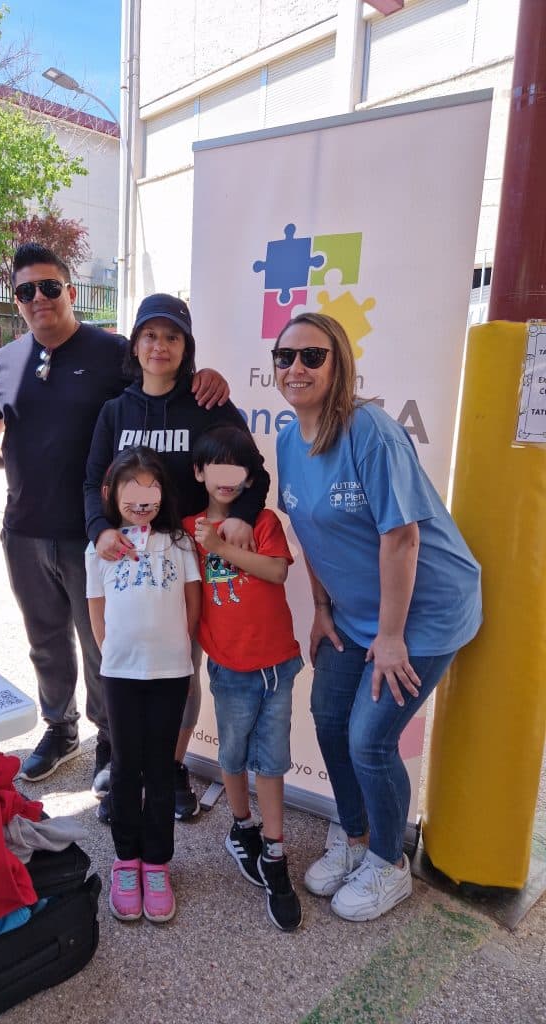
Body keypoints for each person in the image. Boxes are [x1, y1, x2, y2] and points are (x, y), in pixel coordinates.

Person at [0, 245, 227, 791]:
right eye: (25, 291)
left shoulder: (113, 350)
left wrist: (206, 376)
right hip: (22, 530)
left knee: (101, 644)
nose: (38, 298)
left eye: (49, 287)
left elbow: (159, 379)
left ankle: (109, 740)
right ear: (16, 301)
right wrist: (13, 467)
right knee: (44, 640)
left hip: (95, 535)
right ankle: (59, 728)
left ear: (71, 292)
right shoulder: (3, 362)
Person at [273, 312, 482, 922]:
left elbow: (402, 540)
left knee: (369, 738)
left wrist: (391, 637)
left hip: (424, 610)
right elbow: (307, 529)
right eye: (285, 357)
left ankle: (390, 864)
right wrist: (320, 606)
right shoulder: (289, 438)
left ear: (338, 364)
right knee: (328, 716)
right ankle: (355, 835)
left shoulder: (371, 432)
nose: (296, 368)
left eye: (313, 356)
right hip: (353, 612)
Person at [84, 293, 270, 821]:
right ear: (135, 345)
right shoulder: (116, 410)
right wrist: (99, 529)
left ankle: (169, 768)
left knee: (182, 672)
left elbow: (253, 471)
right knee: (121, 666)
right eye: (149, 335)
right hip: (124, 566)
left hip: (188, 564)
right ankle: (128, 773)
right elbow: (89, 481)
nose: (159, 345)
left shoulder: (207, 404)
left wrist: (243, 516)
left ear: (186, 347)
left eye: (171, 336)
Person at [182, 426, 304, 932]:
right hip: (230, 669)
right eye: (217, 468)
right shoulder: (188, 529)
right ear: (199, 473)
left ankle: (275, 855)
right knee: (232, 756)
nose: (227, 478)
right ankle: (242, 829)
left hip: (278, 664)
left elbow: (276, 573)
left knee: (272, 761)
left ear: (249, 477)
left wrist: (225, 542)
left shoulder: (263, 522)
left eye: (239, 470)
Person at [85, 448, 201, 922]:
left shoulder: (179, 543)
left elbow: (193, 606)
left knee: (160, 770)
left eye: (149, 498)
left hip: (171, 672)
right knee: (125, 767)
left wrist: (173, 647)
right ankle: (125, 860)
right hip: (121, 674)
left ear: (162, 495)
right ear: (112, 497)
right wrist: (117, 653)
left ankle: (157, 863)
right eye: (130, 500)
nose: (140, 508)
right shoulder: (100, 547)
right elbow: (96, 612)